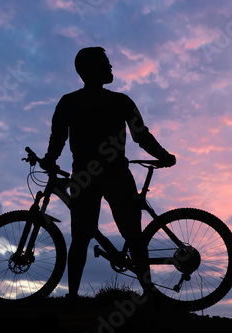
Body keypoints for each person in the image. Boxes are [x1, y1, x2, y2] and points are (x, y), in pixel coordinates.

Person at [41, 47, 176, 298]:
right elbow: (141, 136)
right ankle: (149, 295)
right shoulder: (120, 101)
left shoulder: (69, 102)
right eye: (106, 64)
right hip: (115, 175)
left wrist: (49, 159)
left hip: (86, 176)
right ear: (91, 69)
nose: (111, 68)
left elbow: (57, 138)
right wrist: (164, 156)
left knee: (81, 238)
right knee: (131, 236)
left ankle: (73, 298)